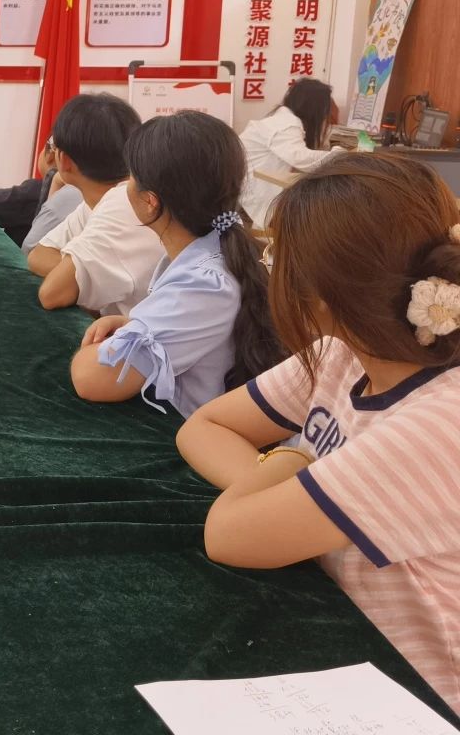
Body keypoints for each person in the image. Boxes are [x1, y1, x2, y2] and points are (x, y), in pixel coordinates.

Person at [175, 152, 460, 714]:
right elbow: (204, 426)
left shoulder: (438, 423)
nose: (271, 270)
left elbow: (227, 534)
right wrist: (288, 490)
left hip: (413, 693)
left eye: (278, 257)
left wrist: (290, 469)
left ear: (325, 294)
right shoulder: (343, 353)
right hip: (337, 626)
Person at [70, 112, 283, 417]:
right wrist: (133, 327)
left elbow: (91, 378)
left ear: (150, 202)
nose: (125, 185)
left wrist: (99, 349)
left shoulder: (205, 284)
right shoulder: (213, 254)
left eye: (131, 177)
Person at [27, 94, 164, 315]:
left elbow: (51, 294)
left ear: (64, 160)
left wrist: (79, 276)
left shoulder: (123, 204)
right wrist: (83, 275)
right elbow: (38, 256)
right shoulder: (99, 200)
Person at [238, 77, 342, 227]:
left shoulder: (283, 119)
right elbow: (301, 158)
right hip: (256, 197)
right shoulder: (286, 124)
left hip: (249, 192)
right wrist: (338, 154)